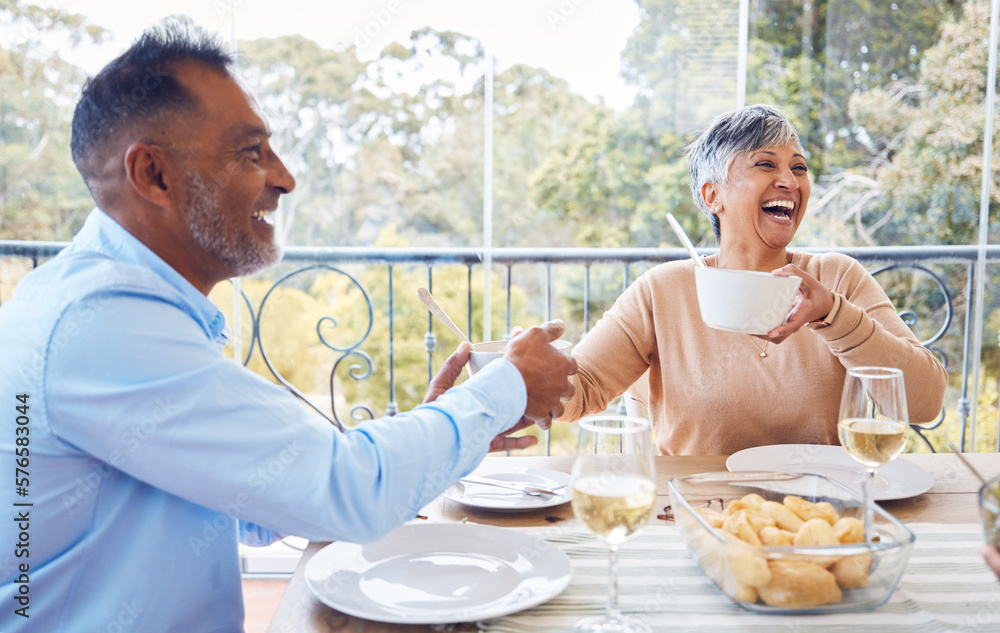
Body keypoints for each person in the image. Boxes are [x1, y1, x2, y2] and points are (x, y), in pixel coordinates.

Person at [0, 27, 577, 632]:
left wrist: (450, 431)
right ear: (153, 174)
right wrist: (506, 385)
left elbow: (267, 495)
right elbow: (343, 491)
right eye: (252, 152)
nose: (285, 178)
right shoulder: (103, 326)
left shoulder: (100, 304)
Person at [558, 104, 947, 455]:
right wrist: (522, 372)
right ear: (713, 196)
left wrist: (833, 315)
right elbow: (580, 392)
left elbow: (924, 403)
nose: (790, 182)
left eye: (798, 167)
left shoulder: (837, 278)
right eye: (766, 165)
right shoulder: (662, 292)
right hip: (700, 514)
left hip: (819, 516)